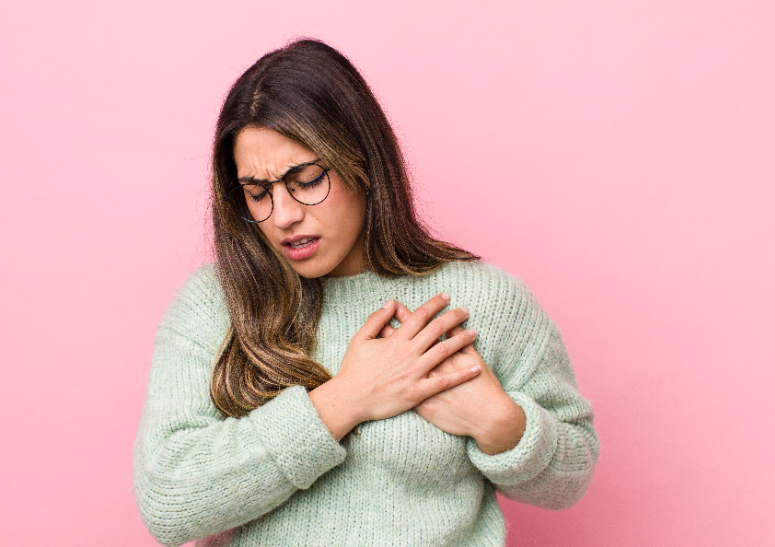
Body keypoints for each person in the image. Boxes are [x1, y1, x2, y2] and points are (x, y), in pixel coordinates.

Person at [133, 39, 599, 547]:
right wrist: (346, 400)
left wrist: (500, 423)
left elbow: (570, 479)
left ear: (362, 162)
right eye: (258, 193)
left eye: (307, 181)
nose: (284, 216)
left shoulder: (481, 300)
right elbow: (167, 502)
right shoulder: (213, 304)